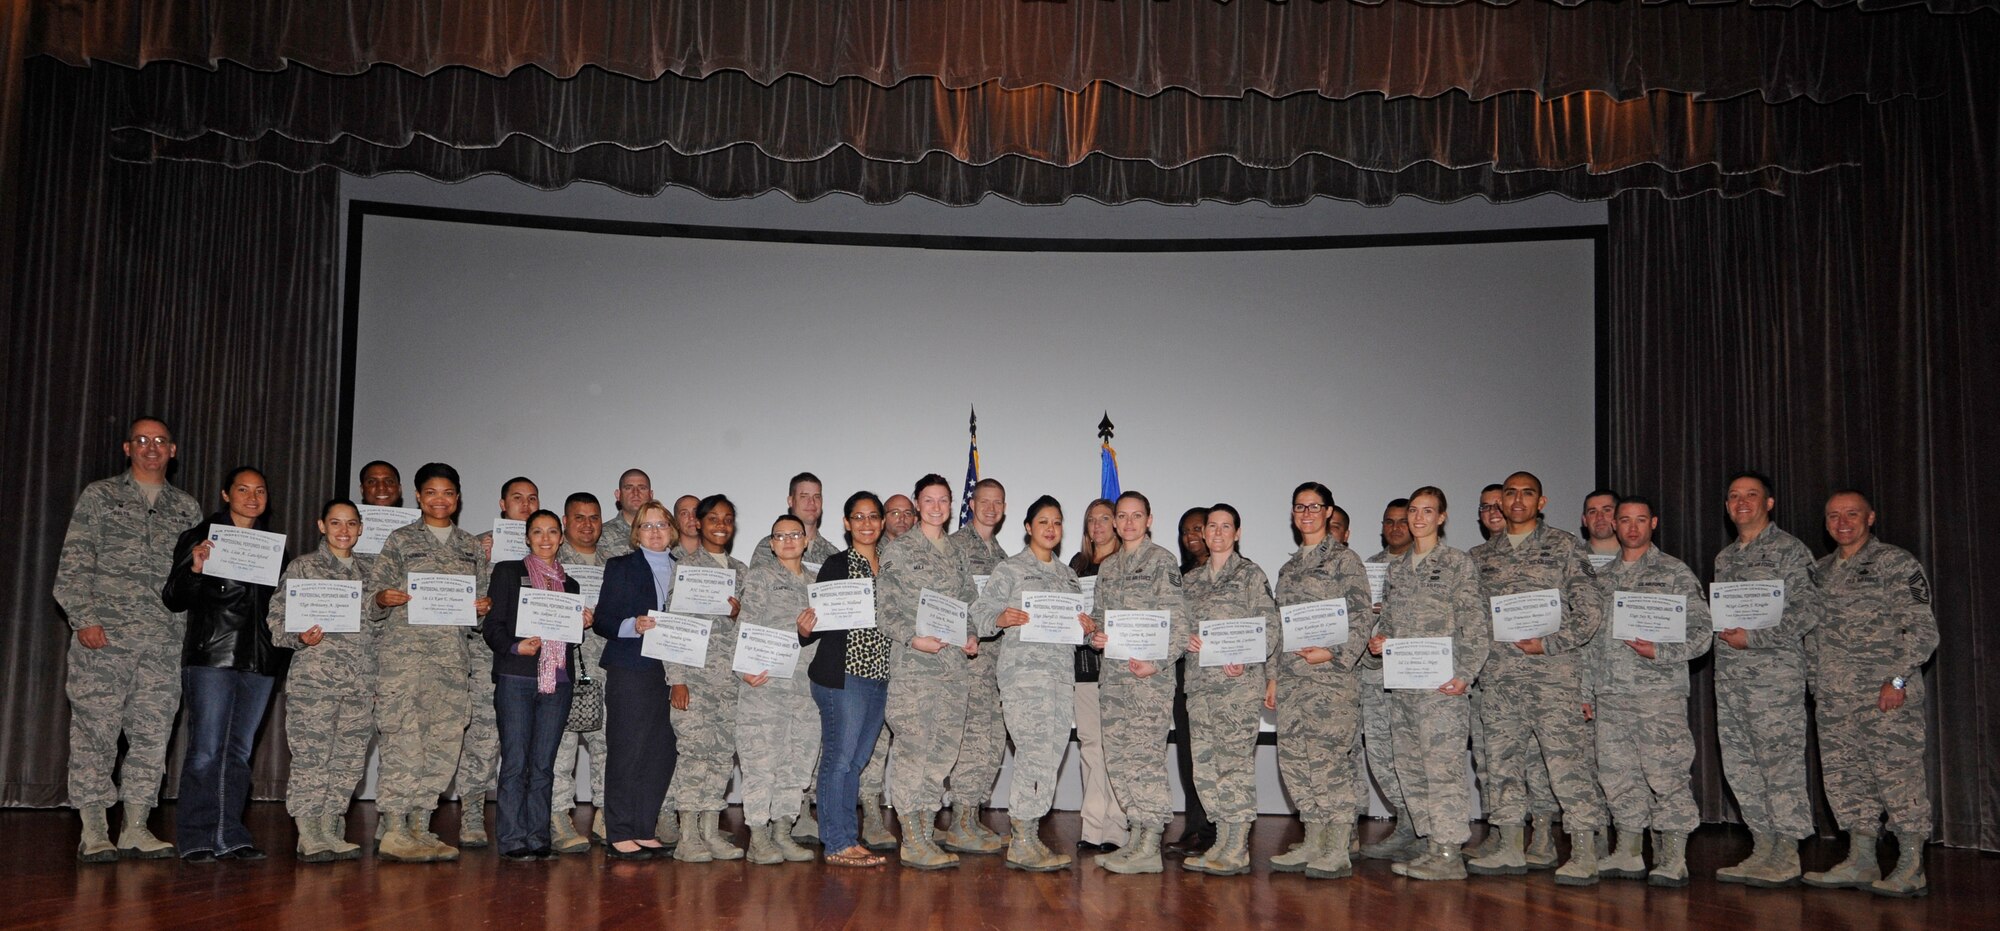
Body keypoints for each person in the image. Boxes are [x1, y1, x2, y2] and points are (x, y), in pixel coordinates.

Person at [54, 416, 203, 862]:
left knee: (153, 736)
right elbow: (74, 565)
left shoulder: (187, 508)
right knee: (95, 732)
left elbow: (190, 580)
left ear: (172, 451)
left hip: (163, 641)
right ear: (127, 448)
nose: (151, 448)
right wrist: (84, 620)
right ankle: (94, 828)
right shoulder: (101, 496)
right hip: (104, 638)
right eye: (142, 440)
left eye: (160, 441)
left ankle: (136, 826)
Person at [1465, 471, 1608, 885]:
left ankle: (1583, 850)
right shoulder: (1480, 558)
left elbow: (1589, 611)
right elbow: (1472, 620)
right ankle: (1510, 845)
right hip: (1500, 679)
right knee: (1502, 764)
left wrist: (1549, 644)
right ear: (1501, 502)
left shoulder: (1563, 546)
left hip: (1552, 677)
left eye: (1527, 494)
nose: (1517, 500)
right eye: (1510, 494)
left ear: (1541, 502)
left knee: (1567, 765)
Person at [1801, 490, 1938, 898]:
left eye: (1852, 514)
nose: (1842, 523)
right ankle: (1861, 859)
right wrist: (1816, 688)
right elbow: (1812, 638)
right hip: (1834, 699)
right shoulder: (1820, 571)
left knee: (1897, 777)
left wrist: (1897, 681)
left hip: (1885, 697)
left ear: (1870, 518)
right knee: (1846, 781)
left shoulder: (1895, 563)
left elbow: (1923, 631)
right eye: (1833, 516)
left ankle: (1911, 865)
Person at [366, 462, 493, 862]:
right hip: (404, 661)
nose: (441, 500)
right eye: (432, 493)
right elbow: (373, 596)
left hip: (452, 663)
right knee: (404, 742)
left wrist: (484, 608)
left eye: (448, 493)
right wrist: (382, 598)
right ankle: (394, 828)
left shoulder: (471, 547)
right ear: (418, 497)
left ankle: (421, 826)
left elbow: (481, 608)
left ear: (457, 499)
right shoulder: (400, 540)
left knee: (443, 745)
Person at [161, 466, 290, 861]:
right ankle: (197, 837)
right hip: (212, 657)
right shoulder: (200, 538)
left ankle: (230, 834)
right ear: (225, 493)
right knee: (205, 749)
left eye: (260, 490)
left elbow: (279, 607)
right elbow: (173, 597)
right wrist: (196, 569)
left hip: (260, 661)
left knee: (238, 752)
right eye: (243, 489)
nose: (252, 497)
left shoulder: (272, 547)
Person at [1584, 495, 1712, 887]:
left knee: (1666, 773)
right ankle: (1628, 850)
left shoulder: (1674, 572)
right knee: (1617, 774)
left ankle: (1674, 856)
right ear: (1615, 525)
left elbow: (1703, 633)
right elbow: (1589, 642)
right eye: (1624, 520)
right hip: (1610, 694)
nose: (1632, 528)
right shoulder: (1601, 580)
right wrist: (1586, 691)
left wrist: (1662, 650)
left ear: (1653, 523)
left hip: (1658, 695)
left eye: (1641, 520)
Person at [1365, 486, 1489, 881]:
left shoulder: (1456, 564)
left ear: (1442, 517)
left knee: (1443, 770)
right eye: (1413, 511)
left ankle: (1451, 851)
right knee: (1411, 768)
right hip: (1402, 688)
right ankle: (1432, 843)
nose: (1418, 518)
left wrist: (1465, 673)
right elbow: (1391, 622)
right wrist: (1379, 639)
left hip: (1441, 689)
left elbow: (1475, 624)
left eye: (1427, 511)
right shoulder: (1398, 569)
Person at [972, 495, 1094, 871]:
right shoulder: (1010, 570)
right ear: (1028, 527)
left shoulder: (1069, 577)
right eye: (1043, 522)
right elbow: (979, 614)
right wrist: (1002, 617)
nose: (1051, 529)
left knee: (1049, 756)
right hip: (1024, 678)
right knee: (1033, 754)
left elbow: (1080, 632)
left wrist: (1088, 629)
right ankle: (1022, 840)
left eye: (1057, 522)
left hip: (1060, 678)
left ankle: (1029, 835)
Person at [1712, 470, 1821, 886]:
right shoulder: (1726, 558)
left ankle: (1788, 853)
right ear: (1726, 506)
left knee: (1780, 767)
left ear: (1768, 503)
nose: (1741, 503)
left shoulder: (1790, 550)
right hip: (1731, 680)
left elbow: (1808, 610)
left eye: (1751, 495)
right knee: (1741, 766)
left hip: (1774, 679)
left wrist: (1754, 638)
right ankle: (1762, 846)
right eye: (1734, 496)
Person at [1266, 483, 1374, 880]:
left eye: (1315, 506)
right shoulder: (1288, 568)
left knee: (1330, 765)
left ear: (1329, 513)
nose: (1307, 513)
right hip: (1294, 681)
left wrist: (1333, 653)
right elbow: (1280, 628)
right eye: (1300, 506)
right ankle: (1313, 838)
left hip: (1330, 680)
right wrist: (1274, 677)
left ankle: (1337, 847)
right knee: (1296, 763)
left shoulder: (1346, 561)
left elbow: (1362, 617)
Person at [880, 475, 982, 869]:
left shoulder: (956, 552)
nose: (936, 507)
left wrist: (971, 635)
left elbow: (968, 603)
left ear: (952, 504)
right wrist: (911, 638)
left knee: (942, 753)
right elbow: (884, 610)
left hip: (953, 669)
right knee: (913, 751)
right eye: (928, 500)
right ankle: (911, 838)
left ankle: (925, 832)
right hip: (915, 668)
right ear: (917, 505)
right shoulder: (900, 550)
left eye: (943, 500)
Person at [268, 499, 376, 862]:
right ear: (321, 526)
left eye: (350, 524)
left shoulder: (372, 570)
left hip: (360, 683)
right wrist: (299, 637)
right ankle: (309, 832)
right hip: (315, 683)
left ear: (361, 528)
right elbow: (276, 621)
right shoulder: (304, 567)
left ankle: (332, 828)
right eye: (335, 523)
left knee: (348, 760)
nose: (343, 531)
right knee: (312, 758)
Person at [1088, 490, 1189, 874]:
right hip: (1112, 677)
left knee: (1145, 759)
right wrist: (1095, 635)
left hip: (1148, 678)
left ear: (1149, 520)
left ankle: (1150, 845)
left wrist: (1158, 664)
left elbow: (1179, 624)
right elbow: (1099, 618)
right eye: (1122, 516)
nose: (1128, 523)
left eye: (1137, 516)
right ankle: (1134, 837)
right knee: (1119, 759)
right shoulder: (1109, 567)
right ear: (1114, 522)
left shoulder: (1162, 561)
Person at [1178, 504, 1280, 876]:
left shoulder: (1251, 575)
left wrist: (1249, 657)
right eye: (1211, 527)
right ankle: (1221, 840)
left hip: (1238, 686)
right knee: (1206, 768)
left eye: (1226, 526)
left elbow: (1269, 627)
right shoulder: (1190, 582)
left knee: (1234, 766)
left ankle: (1237, 846)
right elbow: (1178, 627)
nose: (1218, 533)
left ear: (1237, 533)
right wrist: (1183, 638)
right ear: (1203, 534)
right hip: (1200, 687)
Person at [484, 509, 589, 861]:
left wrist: (581, 624)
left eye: (552, 532)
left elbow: (566, 640)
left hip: (557, 682)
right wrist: (516, 646)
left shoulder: (570, 585)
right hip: (516, 678)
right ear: (527, 538)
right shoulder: (508, 572)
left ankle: (538, 835)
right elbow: (493, 626)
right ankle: (513, 839)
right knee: (515, 761)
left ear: (561, 538)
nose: (545, 538)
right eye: (538, 532)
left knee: (544, 764)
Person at [799, 492, 894, 867]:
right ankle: (837, 842)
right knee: (839, 760)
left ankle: (848, 839)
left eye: (873, 516)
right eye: (859, 517)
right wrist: (805, 629)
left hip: (879, 677)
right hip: (843, 676)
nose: (867, 524)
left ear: (883, 522)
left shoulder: (892, 566)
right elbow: (820, 623)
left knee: (855, 762)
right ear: (846, 523)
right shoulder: (837, 565)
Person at [591, 499, 679, 860]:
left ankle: (644, 827)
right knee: (628, 749)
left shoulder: (687, 569)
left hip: (674, 671)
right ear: (636, 533)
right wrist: (633, 625)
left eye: (661, 525)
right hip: (632, 668)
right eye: (647, 525)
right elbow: (603, 620)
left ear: (672, 531)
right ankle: (620, 831)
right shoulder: (621, 567)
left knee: (661, 753)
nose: (655, 532)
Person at [667, 494, 751, 863]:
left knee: (719, 758)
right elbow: (672, 628)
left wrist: (737, 617)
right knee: (693, 756)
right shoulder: (684, 567)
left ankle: (709, 831)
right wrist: (677, 680)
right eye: (713, 518)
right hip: (695, 682)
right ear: (697, 523)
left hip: (729, 685)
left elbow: (751, 631)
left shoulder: (741, 570)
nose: (721, 524)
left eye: (728, 519)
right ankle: (687, 836)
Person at [736, 515, 824, 863]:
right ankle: (758, 837)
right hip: (766, 685)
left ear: (806, 541)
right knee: (762, 763)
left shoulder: (818, 585)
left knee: (797, 763)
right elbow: (743, 628)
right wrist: (744, 670)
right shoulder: (760, 578)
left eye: (794, 535)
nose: (788, 541)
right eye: (779, 536)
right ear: (771, 544)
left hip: (805, 690)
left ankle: (782, 832)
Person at [462, 476, 540, 848]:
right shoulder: (478, 546)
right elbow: (450, 598)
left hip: (529, 662)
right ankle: (472, 814)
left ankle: (525, 818)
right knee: (483, 739)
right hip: (485, 655)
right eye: (517, 498)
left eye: (532, 499)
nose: (525, 505)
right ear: (502, 503)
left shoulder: (545, 550)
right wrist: (479, 556)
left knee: (523, 745)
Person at [941, 477, 1010, 855]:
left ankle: (972, 816)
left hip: (995, 665)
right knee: (968, 741)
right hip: (963, 661)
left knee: (990, 742)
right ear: (971, 504)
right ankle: (958, 822)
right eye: (984, 501)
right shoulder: (952, 548)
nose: (990, 508)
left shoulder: (1004, 559)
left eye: (997, 502)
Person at [550, 493, 611, 853]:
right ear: (565, 521)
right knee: (562, 748)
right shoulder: (552, 562)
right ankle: (559, 818)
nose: (587, 524)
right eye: (579, 518)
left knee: (608, 747)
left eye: (594, 517)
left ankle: (605, 815)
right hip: (563, 666)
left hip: (605, 665)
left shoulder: (612, 562)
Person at [1357, 498, 1417, 861]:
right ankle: (1406, 823)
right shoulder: (1369, 570)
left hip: (1414, 676)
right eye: (1389, 522)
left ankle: (1423, 828)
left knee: (1413, 755)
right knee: (1380, 756)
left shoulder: (1425, 566)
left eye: (1402, 521)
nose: (1396, 528)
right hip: (1373, 676)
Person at [1067, 498, 1128, 854]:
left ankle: (1116, 828)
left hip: (1119, 671)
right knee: (1091, 748)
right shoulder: (1076, 566)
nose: (1099, 525)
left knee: (1115, 750)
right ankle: (1092, 827)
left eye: (1106, 518)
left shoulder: (1127, 566)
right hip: (1085, 670)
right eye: (1092, 520)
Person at [1166, 505, 1214, 855]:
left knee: (1216, 755)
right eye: (1185, 531)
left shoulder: (1236, 573)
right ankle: (1196, 823)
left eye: (1199, 528)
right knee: (1188, 754)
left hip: (1224, 679)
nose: (1192, 536)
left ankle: (1216, 829)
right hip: (1185, 677)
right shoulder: (1178, 577)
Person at [750, 472, 840, 568]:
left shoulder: (833, 555)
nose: (812, 502)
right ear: (790, 501)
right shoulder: (768, 547)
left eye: (817, 497)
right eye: (804, 496)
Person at [600, 469, 652, 559]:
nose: (636, 493)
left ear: (651, 495)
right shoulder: (601, 535)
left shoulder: (664, 533)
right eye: (628, 488)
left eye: (642, 488)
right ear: (618, 495)